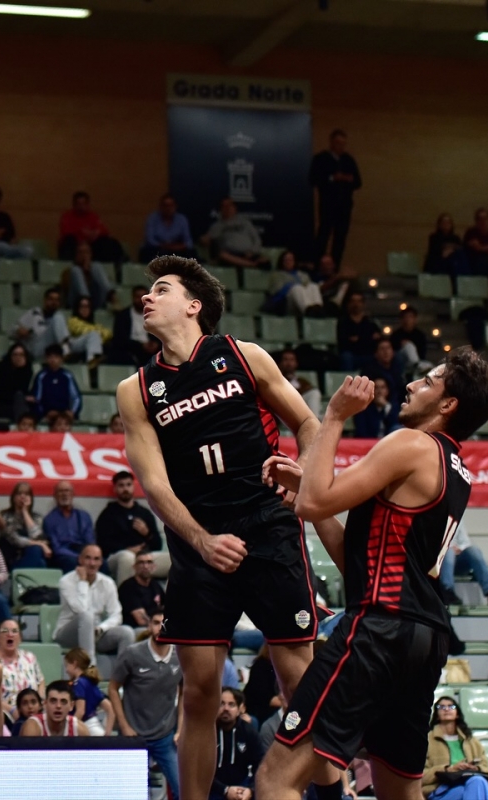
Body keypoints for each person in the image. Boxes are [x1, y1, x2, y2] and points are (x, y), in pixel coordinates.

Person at [116, 255, 328, 800]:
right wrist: (202, 541)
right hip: (199, 540)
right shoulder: (136, 390)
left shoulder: (242, 355)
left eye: (160, 289)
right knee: (200, 693)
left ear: (193, 305)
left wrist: (301, 477)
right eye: (147, 291)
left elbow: (307, 423)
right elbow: (155, 486)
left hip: (266, 524)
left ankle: (331, 791)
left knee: (298, 681)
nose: (147, 297)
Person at [255, 350, 488, 800]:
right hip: (424, 637)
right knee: (399, 790)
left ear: (448, 406)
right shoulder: (456, 469)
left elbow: (314, 501)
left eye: (428, 382)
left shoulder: (408, 443)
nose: (411, 385)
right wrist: (307, 494)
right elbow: (360, 561)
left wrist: (333, 415)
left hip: (380, 627)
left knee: (276, 779)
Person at [109, 609, 183, 799]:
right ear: (149, 626)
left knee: (183, 789)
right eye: (157, 623)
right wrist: (124, 726)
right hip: (133, 734)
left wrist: (180, 728)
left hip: (165, 735)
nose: (161, 628)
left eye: (165, 623)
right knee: (132, 793)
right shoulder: (132, 653)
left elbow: (185, 692)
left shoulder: (181, 655)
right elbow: (112, 688)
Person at [54, 544, 135, 666]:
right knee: (86, 616)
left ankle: (122, 677)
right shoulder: (66, 581)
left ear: (101, 562)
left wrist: (101, 628)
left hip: (96, 633)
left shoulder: (108, 583)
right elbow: (81, 610)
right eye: (88, 558)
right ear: (80, 559)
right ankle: (90, 668)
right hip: (68, 633)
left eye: (96, 559)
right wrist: (82, 581)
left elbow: (116, 614)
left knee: (127, 632)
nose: (92, 563)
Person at [96, 470, 168, 584]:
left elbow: (158, 545)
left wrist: (147, 533)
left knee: (173, 561)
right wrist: (126, 549)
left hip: (145, 556)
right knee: (127, 557)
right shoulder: (108, 514)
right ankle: (126, 599)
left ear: (133, 487)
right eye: (121, 485)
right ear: (115, 488)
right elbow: (103, 544)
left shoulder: (144, 513)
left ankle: (166, 599)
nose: (125, 489)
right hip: (118, 556)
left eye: (128, 485)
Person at [423, 696, 488, 800]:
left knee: (476, 783)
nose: (446, 709)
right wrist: (449, 769)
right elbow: (421, 776)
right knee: (478, 787)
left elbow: (486, 768)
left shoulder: (471, 740)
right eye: (441, 707)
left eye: (451, 706)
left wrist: (476, 768)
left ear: (457, 714)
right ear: (436, 715)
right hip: (440, 789)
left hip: (470, 782)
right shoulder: (427, 740)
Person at [309, 129, 362, 266]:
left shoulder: (348, 160)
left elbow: (358, 182)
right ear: (331, 142)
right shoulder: (321, 159)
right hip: (328, 204)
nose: (341, 147)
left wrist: (348, 179)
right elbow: (313, 179)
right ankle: (317, 265)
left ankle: (335, 267)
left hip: (344, 205)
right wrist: (332, 178)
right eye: (338, 143)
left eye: (343, 144)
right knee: (324, 235)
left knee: (340, 238)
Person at [213, 687, 265, 800]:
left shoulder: (249, 732)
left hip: (242, 788)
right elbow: (200, 771)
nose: (226, 708)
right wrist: (225, 790)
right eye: (222, 704)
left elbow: (261, 764)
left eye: (231, 705)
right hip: (213, 789)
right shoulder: (207, 732)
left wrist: (251, 790)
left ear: (239, 710)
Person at [439, 520, 488, 607]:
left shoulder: (456, 516)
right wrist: (448, 548)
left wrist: (459, 549)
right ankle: (447, 591)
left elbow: (465, 542)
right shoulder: (428, 516)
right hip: (438, 563)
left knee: (473, 551)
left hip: (457, 561)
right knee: (448, 551)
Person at [0, 620, 45, 723]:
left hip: (33, 711)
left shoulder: (30, 657)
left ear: (20, 638)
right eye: (5, 631)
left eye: (14, 631)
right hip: (5, 714)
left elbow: (41, 681)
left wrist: (39, 702)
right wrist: (12, 710)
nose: (10, 634)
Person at [0, 481, 51, 570]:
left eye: (26, 494)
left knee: (38, 555)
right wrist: (41, 544)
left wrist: (25, 511)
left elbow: (37, 537)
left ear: (31, 498)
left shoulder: (37, 518)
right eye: (19, 493)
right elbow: (13, 538)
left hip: (29, 555)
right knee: (39, 559)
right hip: (10, 557)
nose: (23, 496)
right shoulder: (5, 515)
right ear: (13, 498)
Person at [42, 480, 94, 573]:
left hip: (83, 552)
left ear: (73, 494)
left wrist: (87, 556)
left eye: (67, 491)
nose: (64, 494)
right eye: (60, 491)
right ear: (55, 496)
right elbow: (56, 547)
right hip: (63, 556)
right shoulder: (49, 520)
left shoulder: (84, 516)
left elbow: (90, 541)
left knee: (102, 563)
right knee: (70, 562)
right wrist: (78, 557)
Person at [58, 191, 123, 263]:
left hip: (91, 245)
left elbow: (104, 230)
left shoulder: (93, 216)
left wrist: (96, 233)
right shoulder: (67, 216)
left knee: (110, 242)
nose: (81, 206)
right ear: (74, 205)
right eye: (78, 204)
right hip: (75, 245)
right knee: (68, 241)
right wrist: (83, 232)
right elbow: (66, 231)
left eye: (83, 204)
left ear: (87, 204)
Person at [203, 198, 267, 268]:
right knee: (221, 254)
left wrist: (252, 252)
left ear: (235, 208)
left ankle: (247, 263)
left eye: (230, 206)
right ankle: (252, 265)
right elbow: (209, 240)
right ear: (220, 210)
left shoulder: (245, 223)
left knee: (265, 261)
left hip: (249, 254)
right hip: (230, 256)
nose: (227, 208)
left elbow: (257, 239)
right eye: (224, 206)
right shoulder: (216, 226)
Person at [63, 647, 114, 736]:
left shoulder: (78, 683)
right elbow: (110, 708)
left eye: (67, 665)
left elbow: (80, 711)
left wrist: (69, 730)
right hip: (95, 726)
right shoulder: (90, 682)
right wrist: (107, 733)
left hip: (85, 727)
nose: (66, 670)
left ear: (74, 664)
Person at [28, 344, 83, 421]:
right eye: (50, 357)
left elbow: (76, 398)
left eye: (56, 357)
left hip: (65, 415)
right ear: (46, 359)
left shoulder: (67, 375)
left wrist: (72, 412)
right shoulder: (41, 376)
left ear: (61, 359)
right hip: (47, 415)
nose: (53, 360)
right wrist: (44, 413)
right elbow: (37, 398)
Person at [139, 193, 197, 262]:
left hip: (177, 250)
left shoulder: (182, 219)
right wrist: (165, 246)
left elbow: (188, 242)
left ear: (175, 206)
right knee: (146, 252)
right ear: (161, 207)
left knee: (191, 254)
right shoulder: (152, 219)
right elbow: (150, 240)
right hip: (159, 249)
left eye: (171, 205)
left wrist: (177, 247)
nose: (168, 208)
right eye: (165, 206)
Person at [20, 680, 89, 737]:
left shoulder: (80, 730)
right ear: (45, 704)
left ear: (71, 706)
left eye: (63, 702)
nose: (58, 706)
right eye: (53, 701)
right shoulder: (33, 727)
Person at [119, 551, 167, 628]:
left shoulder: (155, 585)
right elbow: (141, 620)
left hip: (156, 626)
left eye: (149, 562)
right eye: (141, 563)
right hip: (136, 629)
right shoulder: (128, 587)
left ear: (154, 566)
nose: (146, 566)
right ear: (134, 567)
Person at [337, 291, 382, 371]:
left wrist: (358, 339)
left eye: (359, 301)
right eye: (353, 301)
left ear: (363, 304)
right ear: (348, 304)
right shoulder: (343, 322)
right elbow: (344, 343)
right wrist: (368, 338)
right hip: (352, 356)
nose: (356, 304)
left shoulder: (370, 322)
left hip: (369, 355)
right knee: (346, 357)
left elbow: (377, 340)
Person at [66, 241, 114, 311]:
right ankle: (86, 302)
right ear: (76, 255)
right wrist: (84, 273)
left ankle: (112, 297)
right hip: (76, 303)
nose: (84, 255)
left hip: (96, 302)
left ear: (91, 255)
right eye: (80, 252)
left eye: (86, 252)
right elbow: (67, 290)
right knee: (76, 270)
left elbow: (104, 285)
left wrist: (89, 272)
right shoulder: (69, 271)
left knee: (97, 266)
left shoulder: (96, 270)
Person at [277, 348, 322, 419]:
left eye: (292, 360)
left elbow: (310, 390)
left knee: (314, 393)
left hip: (302, 411)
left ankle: (314, 421)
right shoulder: (277, 379)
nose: (289, 363)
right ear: (280, 363)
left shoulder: (301, 381)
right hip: (285, 411)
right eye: (285, 360)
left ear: (296, 363)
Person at [0, 343, 33, 421]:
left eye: (21, 355)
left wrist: (22, 370)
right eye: (15, 355)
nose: (18, 357)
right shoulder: (3, 369)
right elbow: (3, 393)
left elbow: (24, 389)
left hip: (22, 403)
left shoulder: (28, 370)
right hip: (4, 404)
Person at [463, 208, 488, 275]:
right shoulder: (471, 233)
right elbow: (478, 248)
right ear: (476, 221)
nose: (483, 221)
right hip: (475, 263)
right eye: (480, 219)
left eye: (485, 218)